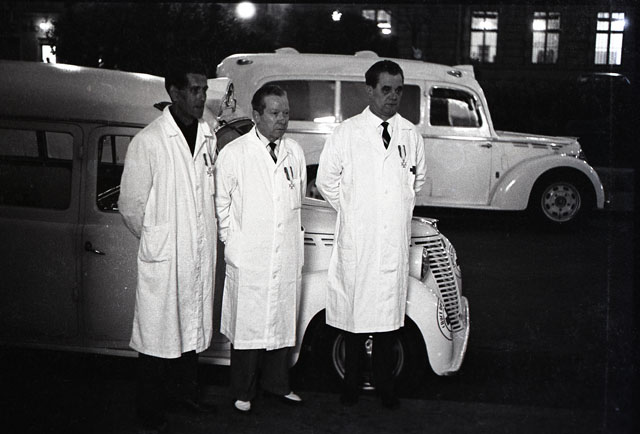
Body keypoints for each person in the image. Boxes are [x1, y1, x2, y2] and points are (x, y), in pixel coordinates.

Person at [316, 60, 427, 409]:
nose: (393, 96)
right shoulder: (347, 132)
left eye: (399, 90)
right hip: (359, 242)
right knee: (354, 319)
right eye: (386, 89)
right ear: (370, 91)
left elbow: (417, 181)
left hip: (392, 243)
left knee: (387, 323)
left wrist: (389, 210)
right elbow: (325, 181)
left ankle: (385, 386)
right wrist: (354, 210)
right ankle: (350, 385)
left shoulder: (410, 134)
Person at [119, 58, 217, 433]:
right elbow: (131, 206)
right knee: (158, 335)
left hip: (195, 251)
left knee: (189, 331)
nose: (201, 97)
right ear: (174, 93)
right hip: (166, 254)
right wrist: (158, 239)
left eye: (204, 90)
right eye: (194, 90)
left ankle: (184, 397)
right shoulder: (149, 141)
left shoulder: (207, 136)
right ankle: (149, 410)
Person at [214, 84, 306, 413]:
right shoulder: (235, 153)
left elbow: (296, 197)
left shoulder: (294, 151)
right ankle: (243, 390)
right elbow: (221, 205)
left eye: (286, 113)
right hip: (249, 254)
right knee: (248, 324)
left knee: (281, 320)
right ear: (256, 115)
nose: (282, 119)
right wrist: (233, 242)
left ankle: (278, 384)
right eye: (275, 113)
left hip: (284, 251)